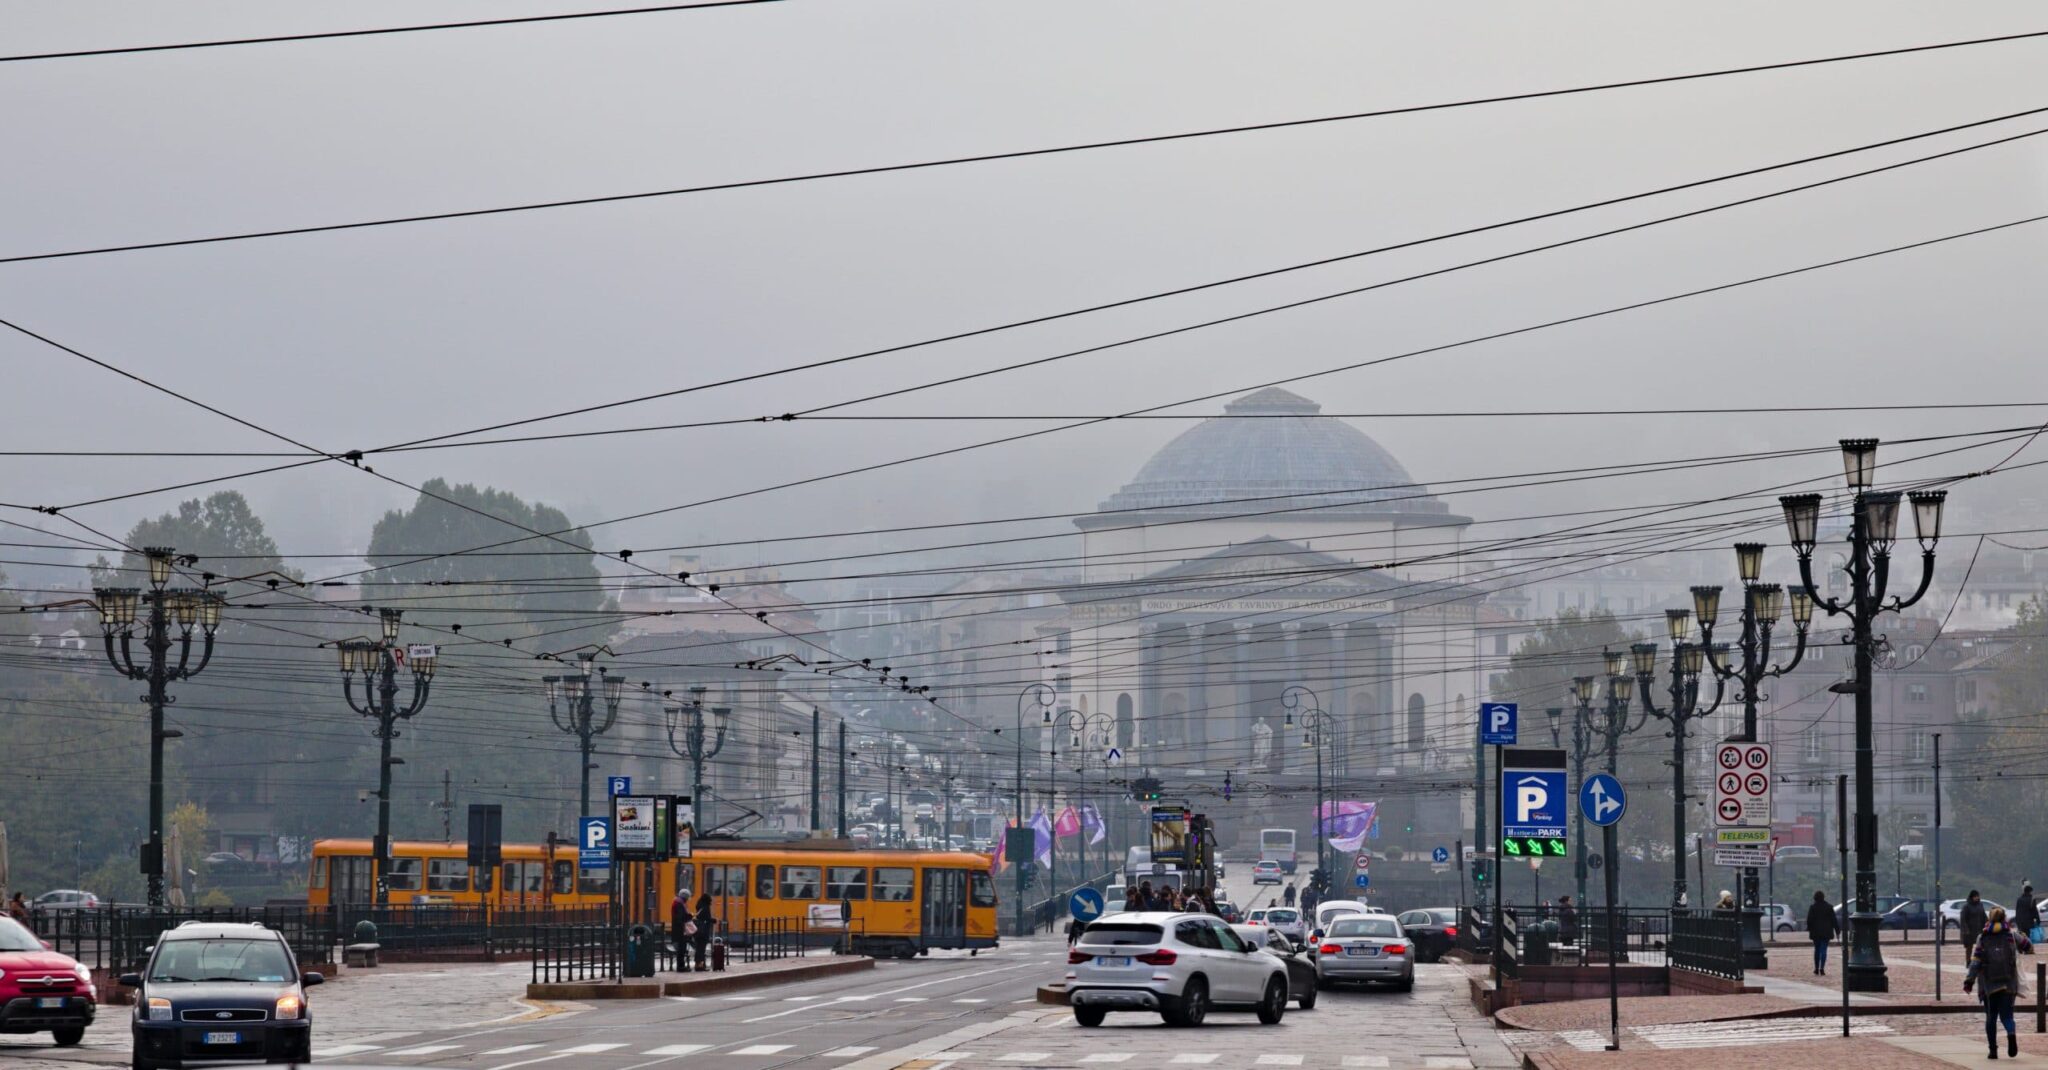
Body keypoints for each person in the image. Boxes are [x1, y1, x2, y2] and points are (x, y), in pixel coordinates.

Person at [1966, 906, 2023, 1059]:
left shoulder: (1982, 937)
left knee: (1991, 1018)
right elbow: (2027, 944)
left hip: (1989, 985)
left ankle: (1993, 1050)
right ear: (2004, 918)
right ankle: (2011, 1034)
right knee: (2007, 1016)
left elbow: (1976, 961)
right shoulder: (2011, 934)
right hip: (2008, 983)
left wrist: (1969, 981)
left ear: (1989, 919)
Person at [1807, 890, 1838, 976]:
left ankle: (1816, 968)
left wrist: (1809, 929)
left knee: (1817, 950)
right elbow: (1834, 920)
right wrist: (1837, 930)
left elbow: (1809, 920)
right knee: (1824, 949)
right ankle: (1822, 968)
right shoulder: (1829, 907)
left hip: (1816, 932)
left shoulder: (1812, 907)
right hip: (1826, 932)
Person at [690, 892, 716, 972]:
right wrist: (713, 920)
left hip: (698, 930)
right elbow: (707, 918)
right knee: (701, 948)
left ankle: (698, 964)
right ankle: (700, 966)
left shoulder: (699, 906)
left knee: (699, 948)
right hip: (703, 931)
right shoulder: (705, 907)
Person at [1964, 891, 1990, 960]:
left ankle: (1980, 960)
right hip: (1970, 930)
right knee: (1969, 947)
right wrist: (1966, 930)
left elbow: (1984, 915)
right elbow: (1964, 919)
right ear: (1972, 897)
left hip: (1979, 929)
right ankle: (1968, 961)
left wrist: (1988, 922)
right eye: (1975, 896)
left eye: (1978, 896)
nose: (1977, 898)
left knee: (1981, 946)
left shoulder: (1980, 905)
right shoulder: (1967, 906)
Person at [2017, 884, 2040, 952]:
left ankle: (2020, 949)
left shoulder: (2019, 899)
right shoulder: (2031, 899)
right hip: (2028, 921)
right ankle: (2027, 949)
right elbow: (2034, 911)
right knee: (2027, 936)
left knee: (2021, 935)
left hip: (2020, 921)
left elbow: (2017, 911)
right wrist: (2038, 920)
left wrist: (2017, 921)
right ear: (2030, 891)